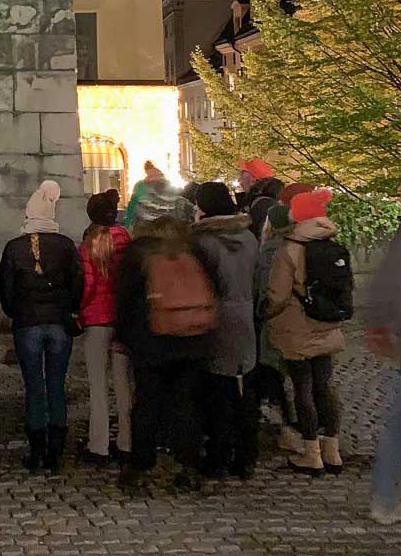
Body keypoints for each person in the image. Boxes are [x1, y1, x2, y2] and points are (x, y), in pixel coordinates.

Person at [115, 214, 215, 492]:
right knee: (188, 405)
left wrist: (123, 337)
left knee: (146, 405)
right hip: (193, 341)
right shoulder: (195, 252)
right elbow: (213, 291)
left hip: (151, 343)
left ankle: (140, 466)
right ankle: (189, 466)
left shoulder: (138, 255)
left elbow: (125, 299)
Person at [0, 181, 83, 473]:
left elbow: (6, 290)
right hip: (59, 321)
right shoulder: (66, 245)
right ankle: (56, 452)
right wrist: (70, 309)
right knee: (56, 385)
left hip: (27, 323)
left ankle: (36, 451)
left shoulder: (14, 247)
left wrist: (17, 312)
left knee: (34, 386)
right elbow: (77, 283)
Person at [265, 188, 346, 476]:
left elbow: (277, 295)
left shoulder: (290, 247)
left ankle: (312, 454)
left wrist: (265, 314)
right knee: (324, 385)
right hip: (327, 323)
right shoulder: (331, 241)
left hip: (297, 327)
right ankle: (333, 450)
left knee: (303, 388)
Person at [191, 182, 259, 479]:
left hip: (215, 317)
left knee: (216, 390)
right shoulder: (248, 237)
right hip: (246, 316)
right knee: (244, 387)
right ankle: (246, 454)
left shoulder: (202, 242)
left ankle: (217, 455)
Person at [367, 168, 401, 524]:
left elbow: (390, 280)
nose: (399, 188)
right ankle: (384, 498)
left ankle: (385, 498)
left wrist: (380, 321)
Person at [254, 184, 315, 454]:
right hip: (317, 323)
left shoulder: (272, 250)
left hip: (283, 324)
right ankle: (325, 441)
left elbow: (269, 292)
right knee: (315, 382)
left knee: (287, 380)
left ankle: (296, 434)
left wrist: (262, 311)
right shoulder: (313, 242)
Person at [79, 194, 132, 465]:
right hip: (122, 318)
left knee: (98, 385)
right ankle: (127, 441)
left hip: (96, 319)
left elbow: (87, 286)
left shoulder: (89, 244)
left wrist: (80, 311)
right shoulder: (126, 239)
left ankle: (99, 445)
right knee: (124, 384)